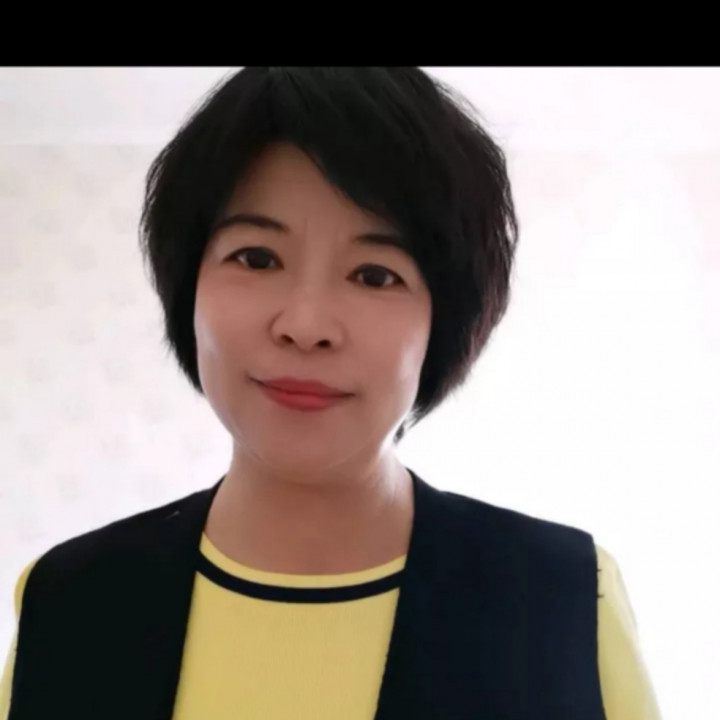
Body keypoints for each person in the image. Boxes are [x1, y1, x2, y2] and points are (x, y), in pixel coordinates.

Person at [0, 67, 662, 719]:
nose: (306, 324)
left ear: (444, 321)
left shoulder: (567, 598)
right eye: (256, 258)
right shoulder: (66, 601)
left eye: (374, 274)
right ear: (188, 289)